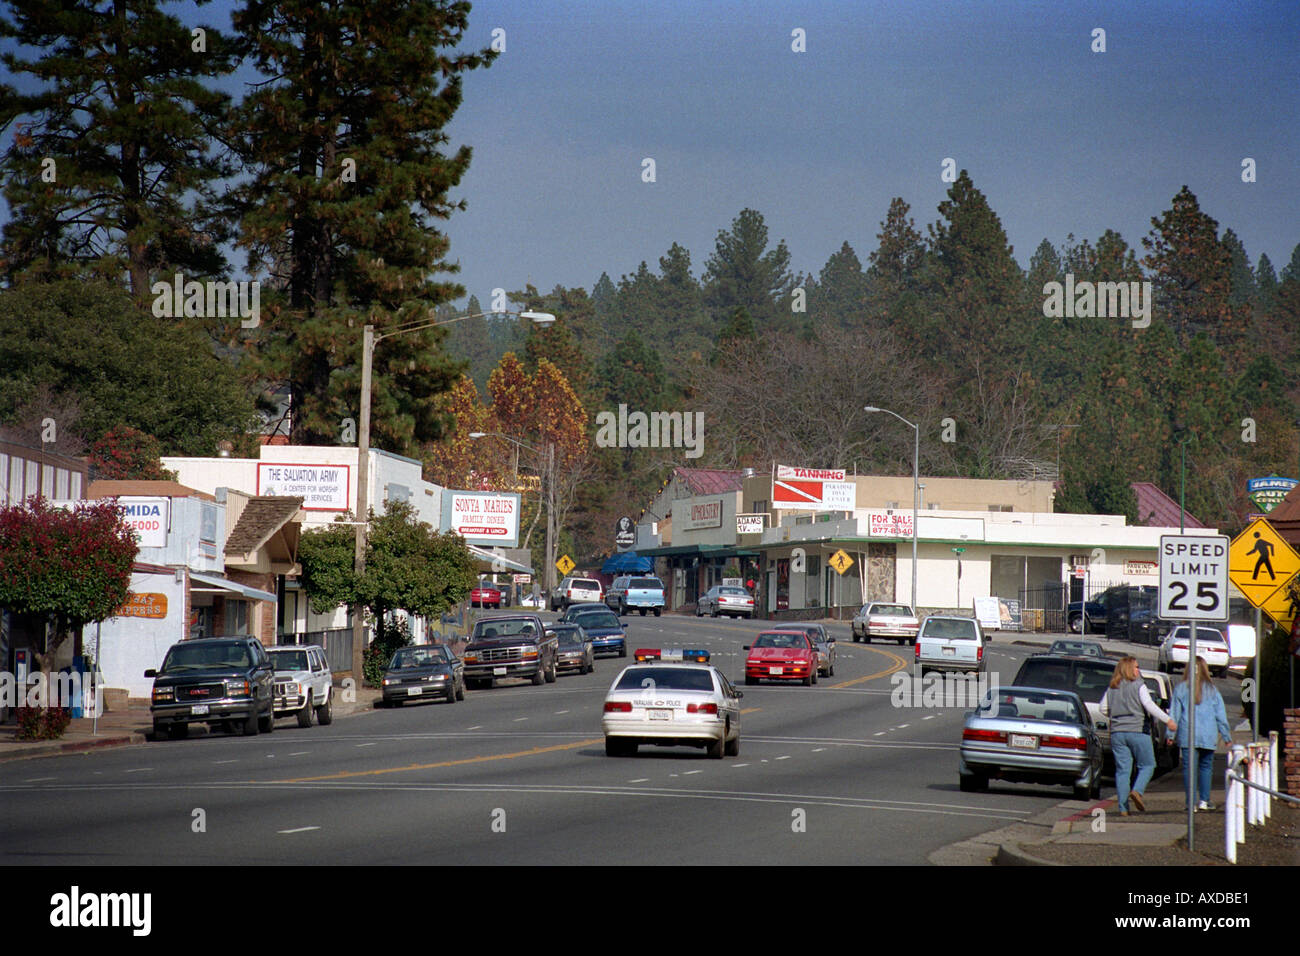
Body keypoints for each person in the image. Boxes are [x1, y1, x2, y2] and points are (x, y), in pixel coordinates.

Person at [1099, 656, 1176, 815]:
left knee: (1122, 771)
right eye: (1136, 667)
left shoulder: (1112, 687)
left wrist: (1116, 716)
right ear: (1128, 669)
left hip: (1117, 733)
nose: (1138, 670)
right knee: (1147, 764)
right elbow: (1149, 705)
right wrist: (1167, 720)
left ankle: (1123, 808)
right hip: (1137, 730)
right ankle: (1137, 791)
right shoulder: (1139, 686)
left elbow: (1102, 708)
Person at [1167, 656, 1232, 811]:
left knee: (1189, 769)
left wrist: (1170, 735)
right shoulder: (1212, 690)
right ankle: (1204, 800)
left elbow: (1174, 714)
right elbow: (1220, 715)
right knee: (1206, 767)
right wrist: (1226, 736)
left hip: (1187, 734)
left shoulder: (1181, 689)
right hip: (1208, 735)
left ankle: (1191, 803)